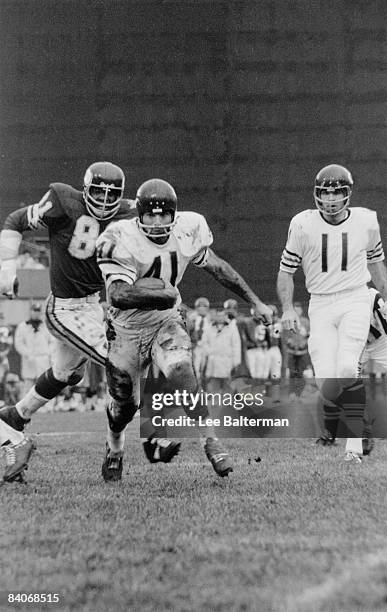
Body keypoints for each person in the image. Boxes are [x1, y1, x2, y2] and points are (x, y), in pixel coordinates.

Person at [0, 162, 179, 464]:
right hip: (64, 308)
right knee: (123, 362)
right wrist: (6, 268)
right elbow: (15, 220)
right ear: (85, 188)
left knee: (65, 373)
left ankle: (16, 415)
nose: (105, 199)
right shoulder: (62, 200)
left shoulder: (130, 213)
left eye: (112, 194)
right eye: (98, 191)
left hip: (94, 306)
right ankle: (150, 438)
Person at [96, 178, 273, 480]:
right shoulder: (119, 236)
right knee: (125, 404)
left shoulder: (189, 228)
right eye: (150, 214)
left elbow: (218, 267)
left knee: (181, 370)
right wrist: (160, 293)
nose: (157, 221)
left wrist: (254, 300)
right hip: (125, 328)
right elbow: (117, 295)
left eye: (163, 214)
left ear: (174, 215)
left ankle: (210, 440)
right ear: (139, 215)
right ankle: (115, 449)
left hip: (165, 319)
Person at [277, 163, 387, 462]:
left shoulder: (365, 221)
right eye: (324, 193)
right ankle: (363, 425)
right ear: (316, 194)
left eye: (336, 192)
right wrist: (288, 307)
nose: (329, 199)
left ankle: (353, 449)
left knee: (345, 367)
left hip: (355, 298)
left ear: (347, 193)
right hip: (320, 304)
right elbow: (285, 271)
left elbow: (377, 266)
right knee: (328, 383)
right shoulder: (302, 223)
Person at [13, 302, 53, 393]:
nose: (36, 313)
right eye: (34, 310)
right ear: (30, 311)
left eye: (38, 311)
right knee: (28, 386)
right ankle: (26, 407)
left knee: (44, 386)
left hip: (43, 359)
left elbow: (53, 342)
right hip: (29, 360)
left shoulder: (46, 325)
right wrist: (27, 353)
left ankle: (47, 407)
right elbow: (18, 343)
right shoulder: (23, 326)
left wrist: (48, 353)